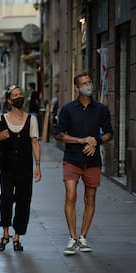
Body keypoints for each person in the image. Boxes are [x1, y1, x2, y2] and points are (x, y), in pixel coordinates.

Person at [54, 72, 113, 255]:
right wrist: (81, 141)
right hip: (72, 158)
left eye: (90, 82)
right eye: (84, 83)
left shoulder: (101, 109)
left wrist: (97, 141)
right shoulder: (68, 109)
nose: (89, 85)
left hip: (93, 161)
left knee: (90, 198)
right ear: (77, 88)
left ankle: (83, 237)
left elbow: (109, 132)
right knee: (71, 196)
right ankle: (72, 238)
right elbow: (59, 134)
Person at [0, 84, 41, 252]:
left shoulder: (31, 119)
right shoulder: (1, 120)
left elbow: (35, 142)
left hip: (24, 167)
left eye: (20, 94)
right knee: (6, 200)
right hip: (6, 167)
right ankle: (5, 234)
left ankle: (17, 237)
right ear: (9, 99)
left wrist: (38, 165)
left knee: (23, 202)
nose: (18, 97)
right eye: (15, 95)